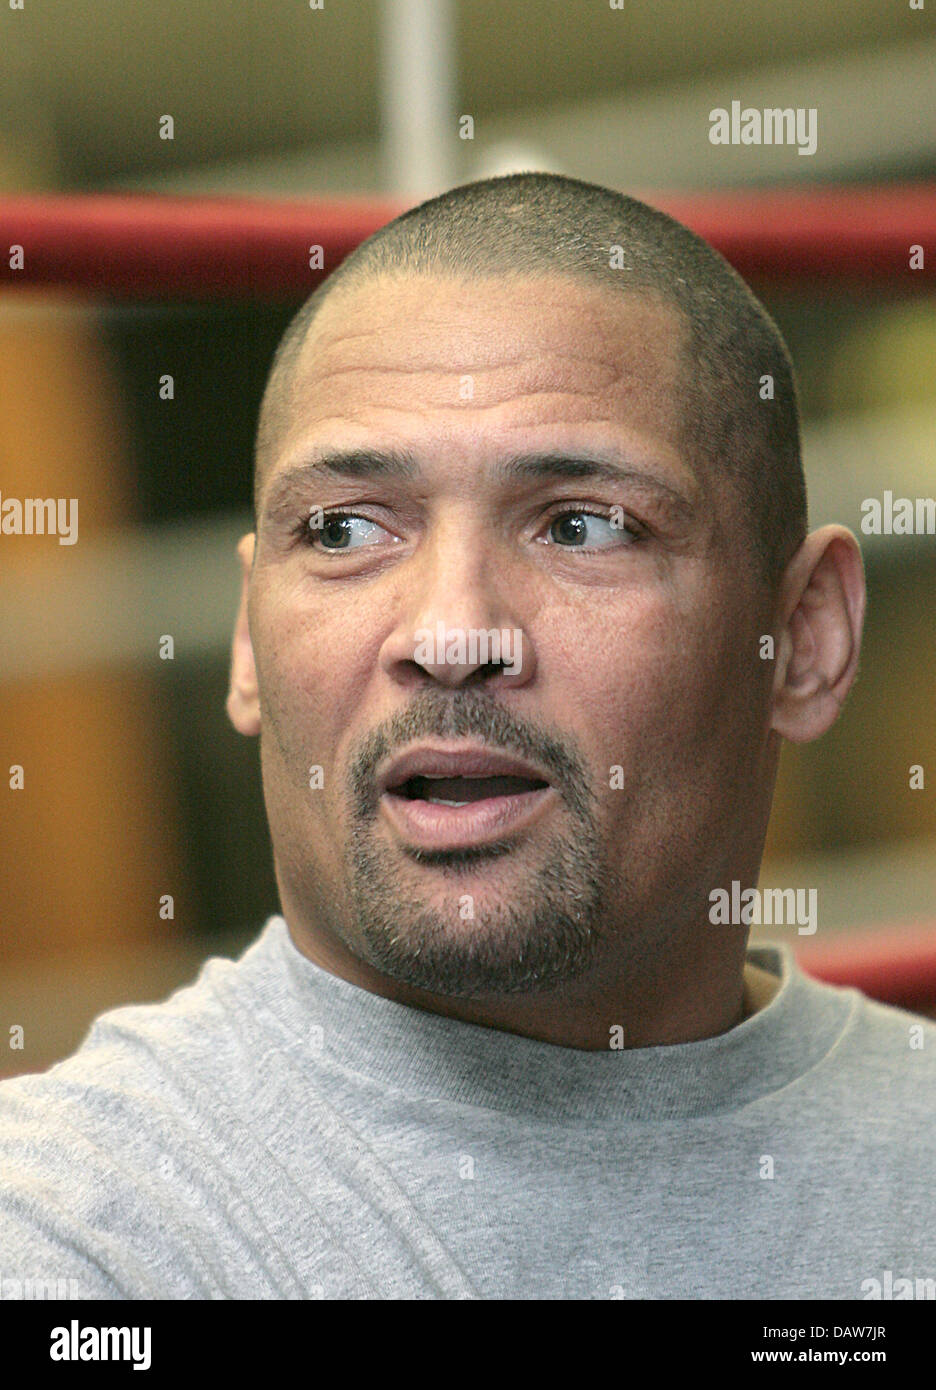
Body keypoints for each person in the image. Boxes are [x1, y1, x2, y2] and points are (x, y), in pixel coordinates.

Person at [0, 172, 931, 1301]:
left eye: (584, 525)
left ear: (805, 636)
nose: (451, 635)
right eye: (343, 529)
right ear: (247, 641)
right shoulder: (70, 1233)